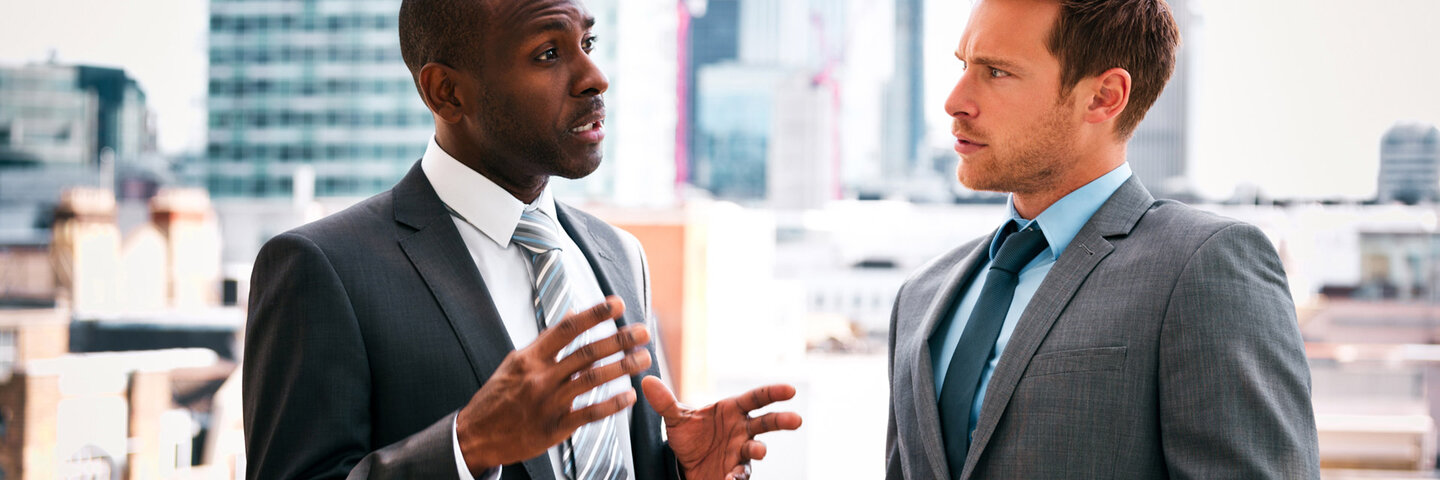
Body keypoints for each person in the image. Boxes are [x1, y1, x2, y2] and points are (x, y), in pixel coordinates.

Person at [242, 0, 802, 478]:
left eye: (588, 40)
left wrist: (680, 471)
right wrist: (465, 446)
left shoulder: (619, 256)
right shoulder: (321, 268)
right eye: (549, 54)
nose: (594, 76)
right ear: (447, 92)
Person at [884, 0, 1320, 478]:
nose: (955, 100)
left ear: (1104, 97)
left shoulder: (1202, 266)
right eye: (964, 65)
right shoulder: (919, 297)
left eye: (997, 72)